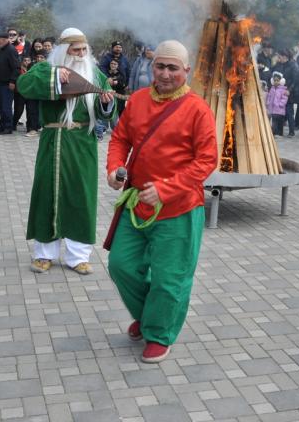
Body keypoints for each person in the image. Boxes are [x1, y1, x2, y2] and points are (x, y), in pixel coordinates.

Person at [106, 39, 218, 363]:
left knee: (170, 279)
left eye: (173, 68)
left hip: (178, 209)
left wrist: (167, 189)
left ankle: (158, 332)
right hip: (137, 204)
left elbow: (207, 160)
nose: (165, 74)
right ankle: (150, 314)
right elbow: (120, 138)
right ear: (151, 66)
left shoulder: (198, 109)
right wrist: (114, 168)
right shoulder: (138, 100)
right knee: (121, 265)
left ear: (186, 70)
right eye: (160, 66)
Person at [17, 29, 116, 274]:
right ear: (64, 51)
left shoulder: (96, 75)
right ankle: (44, 254)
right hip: (53, 140)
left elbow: (107, 112)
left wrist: (107, 103)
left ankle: (78, 257)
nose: (81, 54)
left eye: (84, 50)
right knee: (46, 194)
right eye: (75, 50)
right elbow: (24, 85)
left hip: (83, 143)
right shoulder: (45, 69)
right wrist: (53, 77)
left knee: (80, 196)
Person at [0, 33, 21, 135]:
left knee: (6, 106)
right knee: (0, 106)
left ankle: (8, 127)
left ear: (5, 39)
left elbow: (16, 68)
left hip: (7, 83)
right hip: (1, 82)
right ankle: (2, 125)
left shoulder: (11, 50)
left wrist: (12, 81)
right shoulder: (0, 50)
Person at [265, 71, 289, 135]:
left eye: (277, 80)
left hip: (280, 109)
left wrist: (281, 104)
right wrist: (268, 103)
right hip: (272, 109)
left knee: (280, 122)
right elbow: (269, 96)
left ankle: (280, 133)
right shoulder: (272, 89)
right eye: (275, 80)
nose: (276, 82)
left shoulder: (283, 90)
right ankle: (274, 133)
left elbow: (284, 98)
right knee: (274, 122)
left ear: (281, 81)